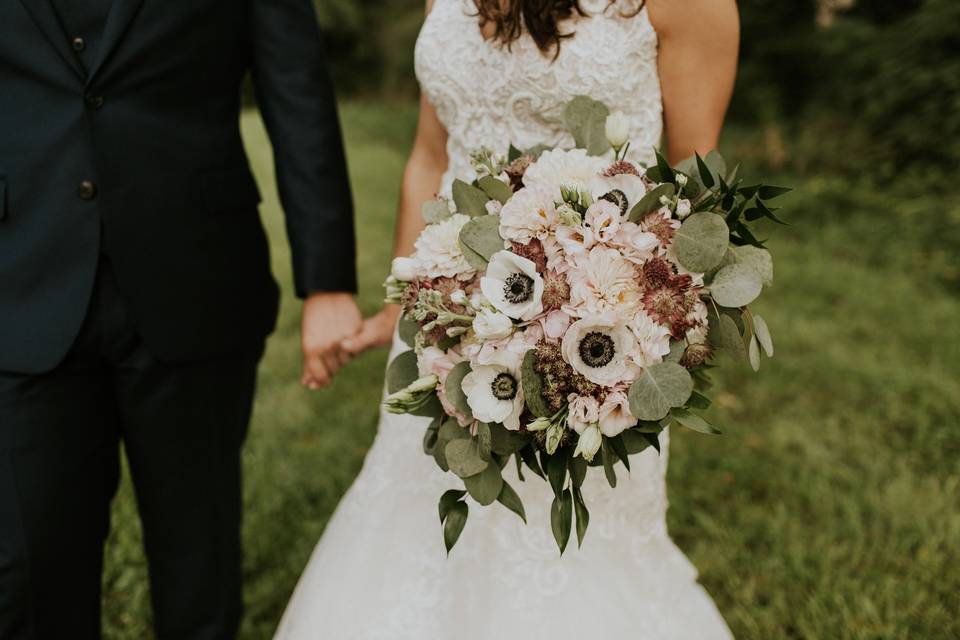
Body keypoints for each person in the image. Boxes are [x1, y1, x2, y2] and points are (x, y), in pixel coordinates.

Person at [275, 0, 739, 638]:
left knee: (572, 550)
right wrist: (401, 300)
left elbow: (693, 191)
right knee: (422, 527)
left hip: (593, 338)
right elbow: (430, 158)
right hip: (449, 323)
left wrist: (613, 319)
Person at [0, 1, 360, 638]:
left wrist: (326, 280)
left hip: (196, 277)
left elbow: (296, 84)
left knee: (198, 570)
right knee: (29, 578)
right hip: (21, 278)